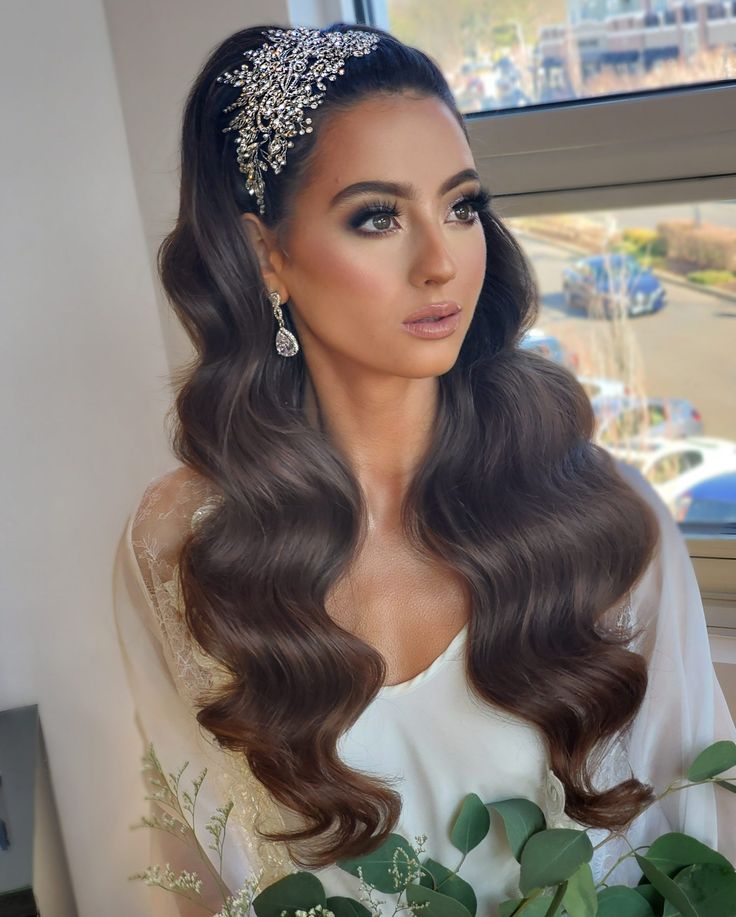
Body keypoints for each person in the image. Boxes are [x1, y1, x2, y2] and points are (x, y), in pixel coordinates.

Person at [112, 22, 736, 917]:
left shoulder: (600, 515)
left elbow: (696, 849)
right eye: (377, 215)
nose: (442, 261)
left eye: (461, 205)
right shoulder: (178, 548)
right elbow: (195, 862)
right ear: (265, 255)